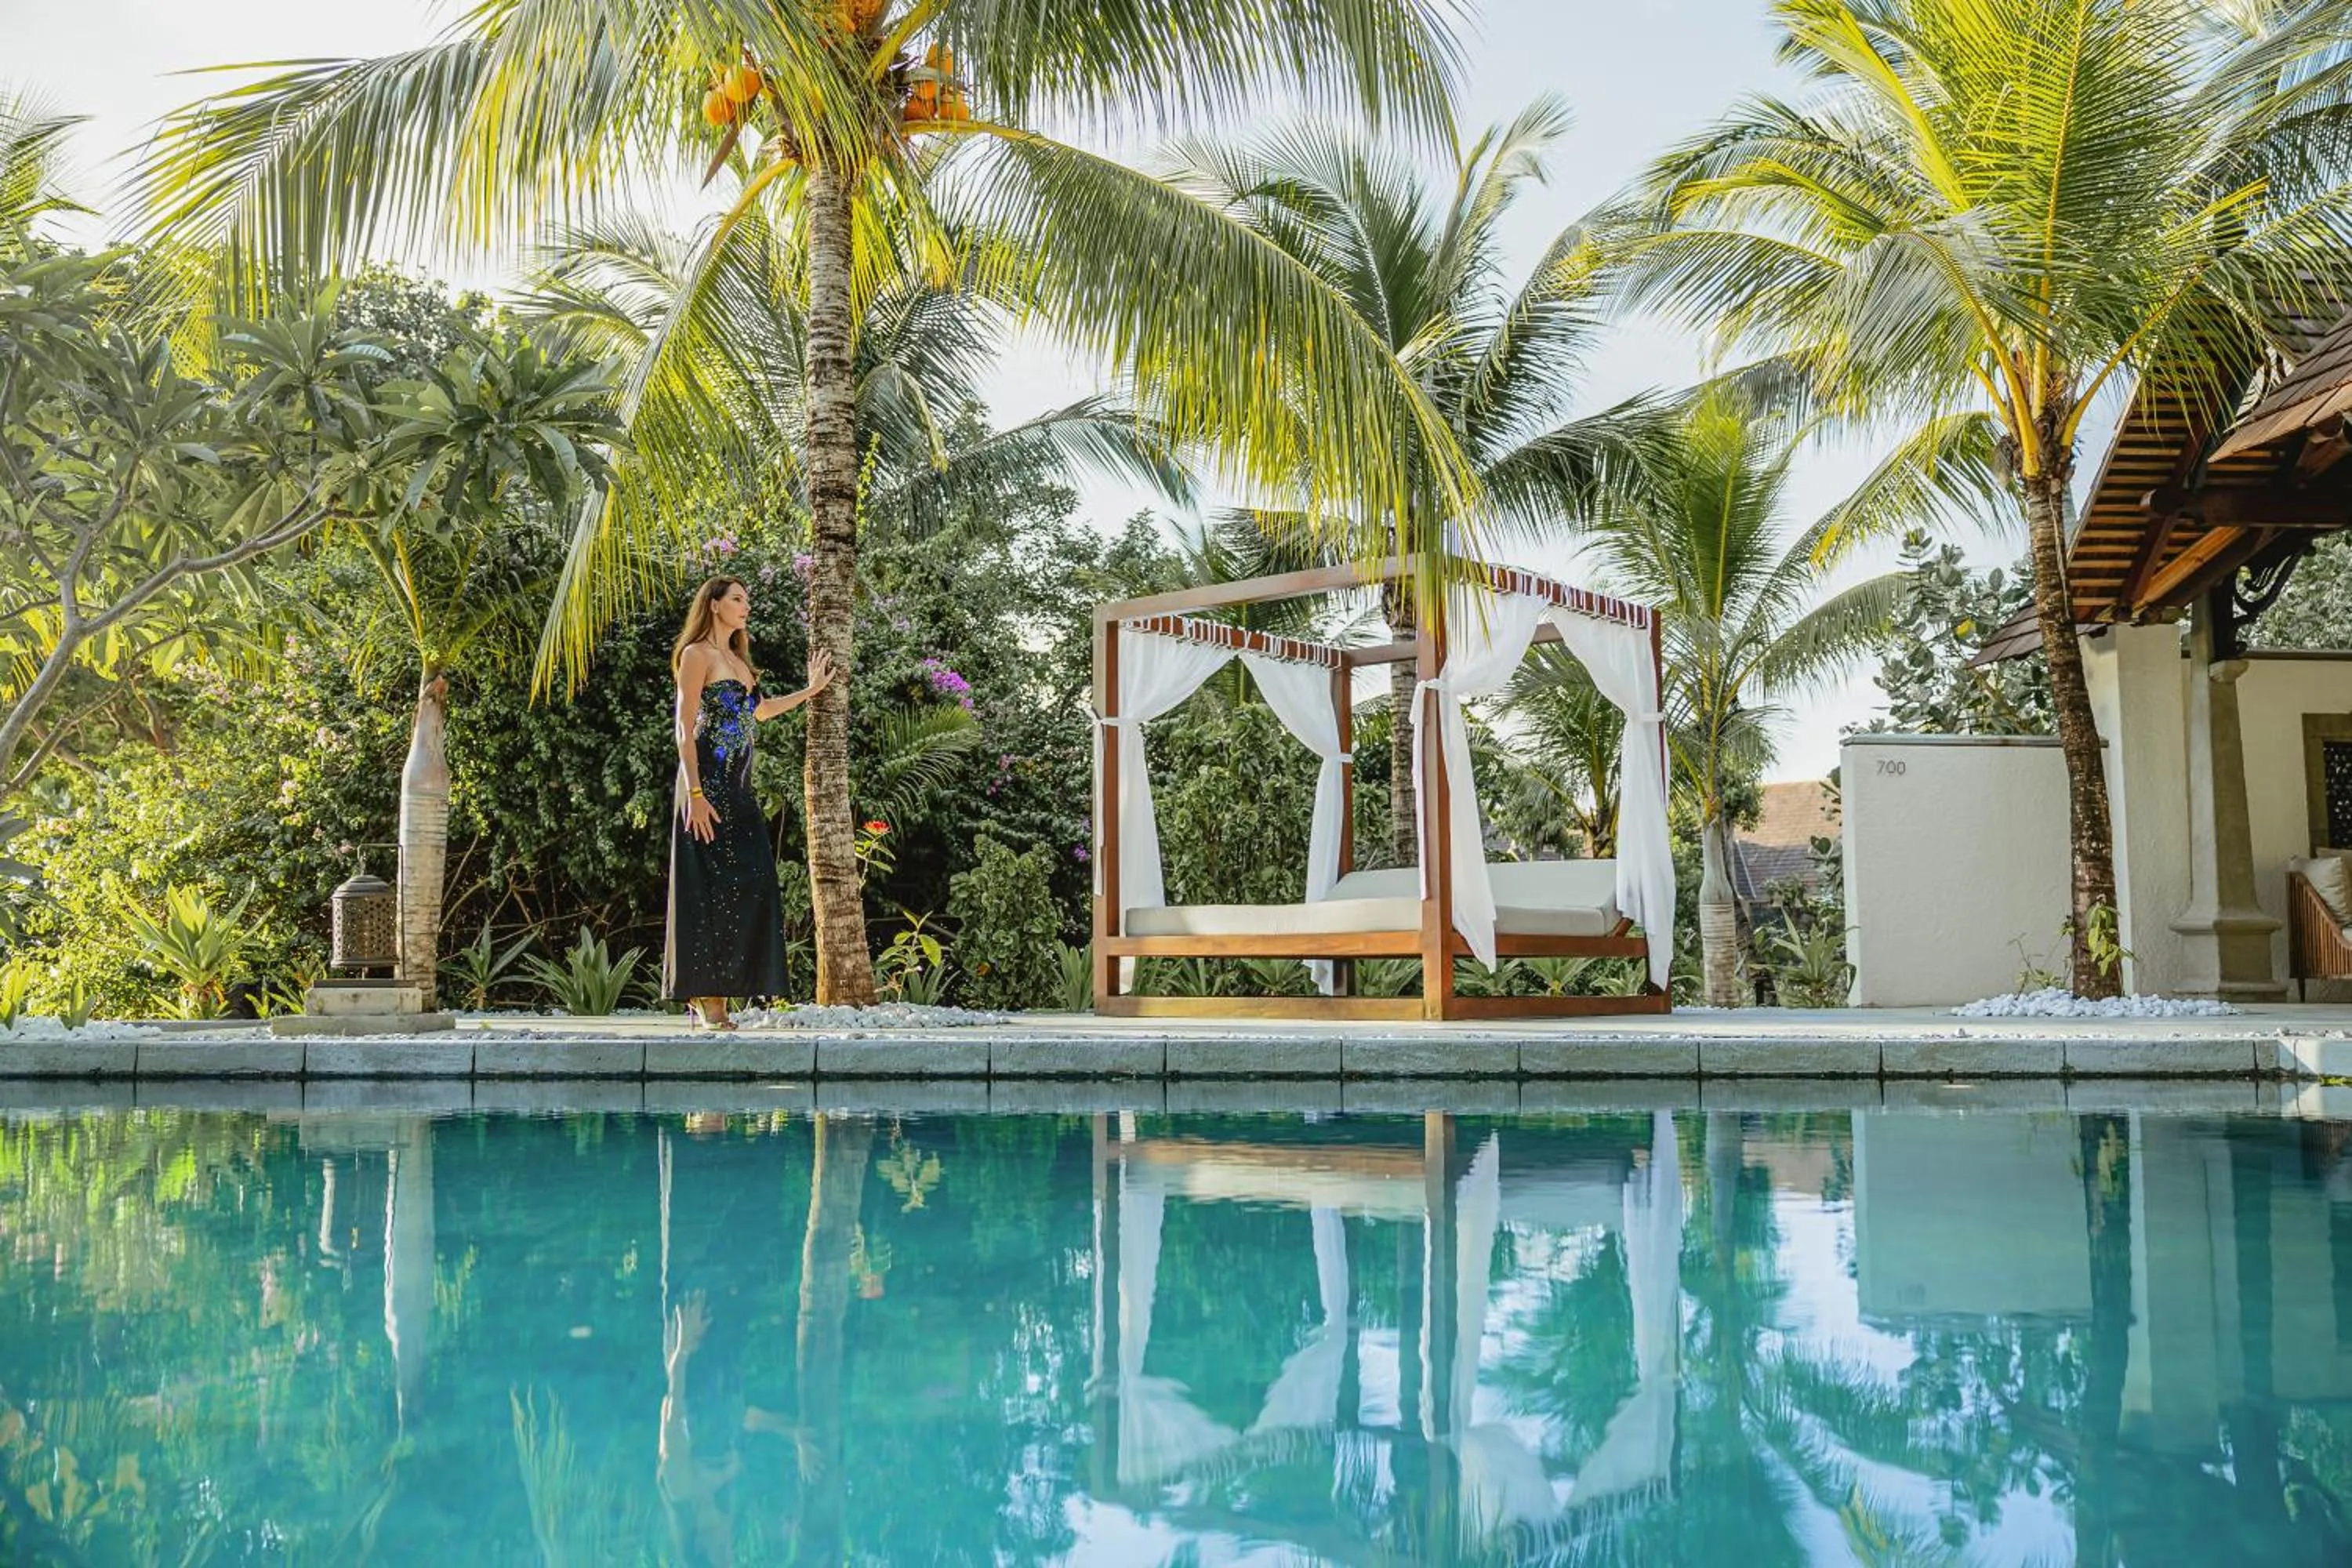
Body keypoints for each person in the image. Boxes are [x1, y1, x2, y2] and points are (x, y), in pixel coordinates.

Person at [665, 575, 835, 1029]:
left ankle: (720, 992)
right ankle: (710, 1003)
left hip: (738, 791)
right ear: (714, 604)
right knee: (705, 890)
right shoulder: (696, 655)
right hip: (704, 785)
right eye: (737, 599)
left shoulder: (739, 662)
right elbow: (684, 728)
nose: (746, 606)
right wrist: (695, 794)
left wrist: (811, 690)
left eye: (747, 600)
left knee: (756, 881)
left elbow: (762, 710)